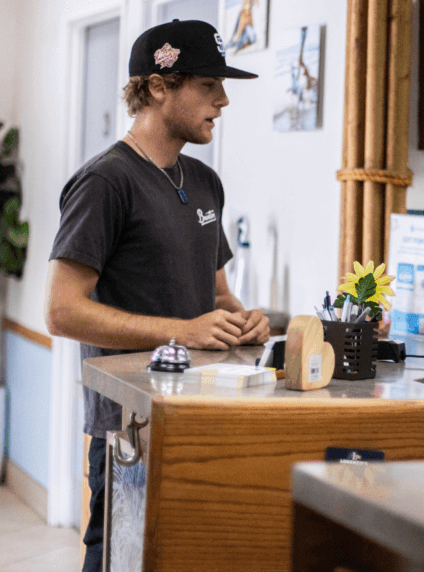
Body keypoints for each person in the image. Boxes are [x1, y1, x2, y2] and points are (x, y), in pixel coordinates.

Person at [44, 20, 269, 572]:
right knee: (118, 559)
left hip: (199, 416)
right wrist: (180, 331)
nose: (223, 100)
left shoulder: (205, 181)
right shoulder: (106, 182)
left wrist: (243, 321)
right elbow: (61, 311)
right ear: (159, 86)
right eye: (209, 85)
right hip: (131, 428)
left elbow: (217, 296)